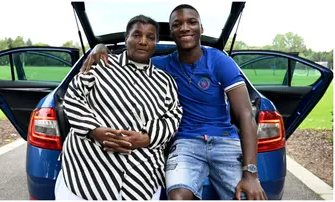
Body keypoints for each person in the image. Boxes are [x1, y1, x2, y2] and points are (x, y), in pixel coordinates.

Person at [82, 4, 267, 200]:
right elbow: (126, 59)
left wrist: (251, 174)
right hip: (186, 142)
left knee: (247, 196)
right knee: (178, 196)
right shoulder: (160, 65)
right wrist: (98, 47)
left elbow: (246, 115)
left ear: (201, 28)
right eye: (177, 24)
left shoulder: (219, 61)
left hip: (225, 141)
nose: (185, 27)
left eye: (192, 22)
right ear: (171, 32)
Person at [55, 14, 183, 200]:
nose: (143, 41)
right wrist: (94, 130)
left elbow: (174, 115)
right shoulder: (101, 65)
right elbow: (74, 96)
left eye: (150, 37)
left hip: (141, 178)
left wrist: (147, 138)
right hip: (86, 170)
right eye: (136, 35)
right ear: (126, 39)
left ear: (155, 42)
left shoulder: (165, 81)